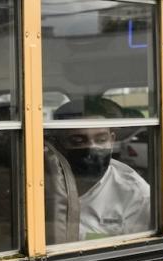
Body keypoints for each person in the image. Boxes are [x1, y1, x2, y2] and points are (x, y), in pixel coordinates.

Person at [50, 99, 151, 240]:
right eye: (78, 141)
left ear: (112, 140)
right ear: (59, 144)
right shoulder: (44, 180)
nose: (91, 148)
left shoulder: (136, 195)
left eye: (101, 140)